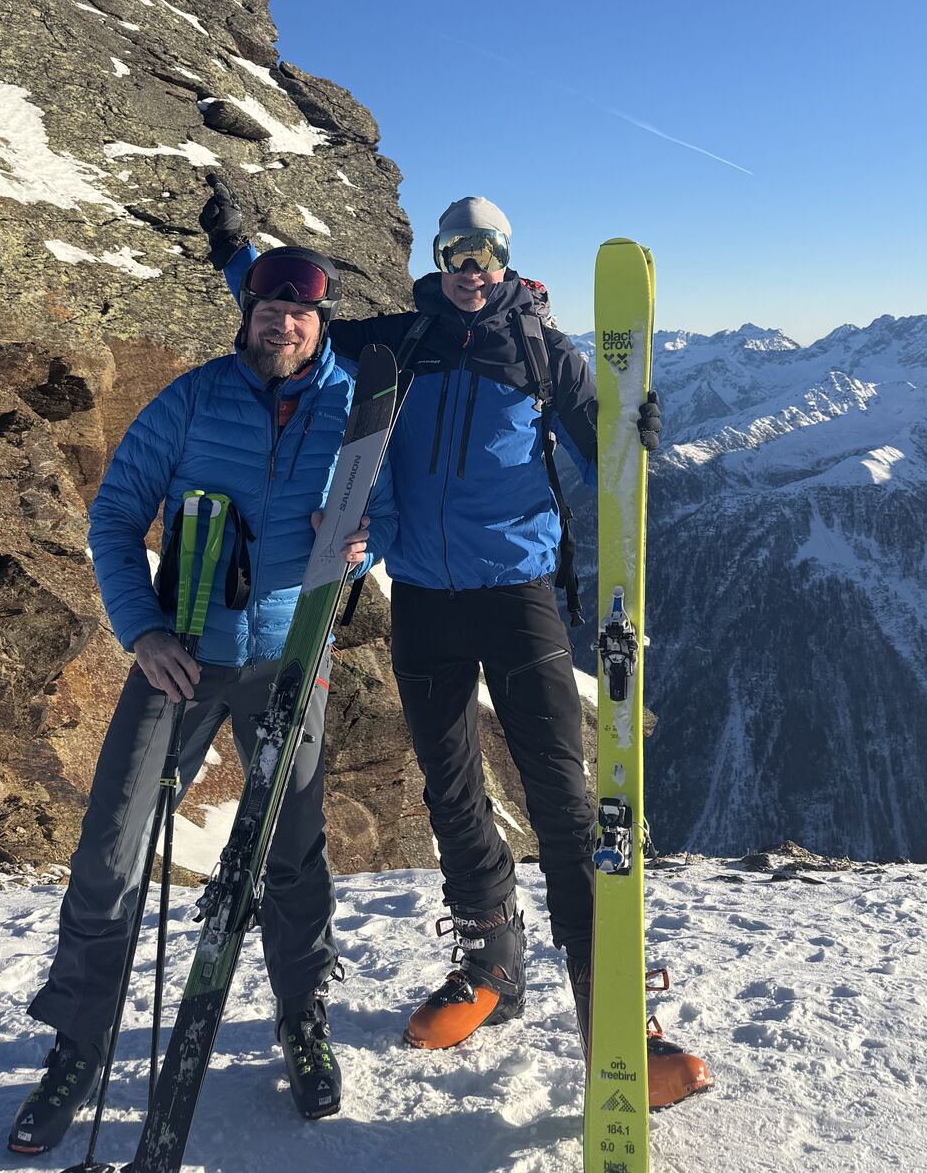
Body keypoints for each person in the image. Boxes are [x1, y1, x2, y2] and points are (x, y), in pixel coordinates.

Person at [203, 186, 710, 1108]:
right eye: (458, 253)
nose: (473, 270)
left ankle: (613, 1007)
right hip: (425, 600)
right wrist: (237, 254)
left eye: (488, 254)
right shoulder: (401, 341)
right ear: (437, 259)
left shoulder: (546, 354)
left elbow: (607, 461)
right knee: (450, 787)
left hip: (519, 598)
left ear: (507, 261)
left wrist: (634, 434)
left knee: (563, 802)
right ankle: (491, 965)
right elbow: (299, 318)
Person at [8, 245, 367, 1156]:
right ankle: (79, 1046)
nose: (282, 325)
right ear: (247, 313)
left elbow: (391, 510)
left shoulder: (355, 409)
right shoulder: (193, 399)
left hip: (290, 657)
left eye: (299, 313)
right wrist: (144, 633)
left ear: (321, 323)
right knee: (111, 846)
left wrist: (371, 539)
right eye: (267, 310)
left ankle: (301, 1016)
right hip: (183, 652)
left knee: (292, 853)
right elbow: (115, 515)